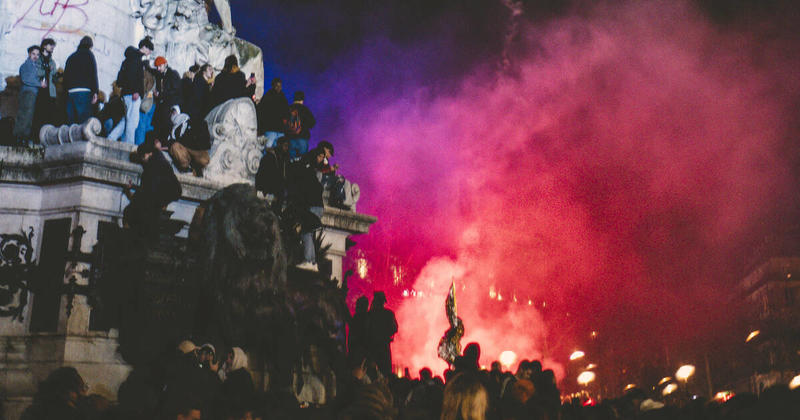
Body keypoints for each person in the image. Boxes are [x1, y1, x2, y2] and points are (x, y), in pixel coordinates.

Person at [122, 139, 181, 238]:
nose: (142, 159)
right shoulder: (159, 160)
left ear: (149, 154)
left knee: (130, 213)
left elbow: (147, 190)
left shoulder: (152, 167)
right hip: (166, 195)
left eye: (143, 156)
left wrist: (130, 191)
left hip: (158, 200)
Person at [287, 147, 325, 271]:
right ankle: (312, 262)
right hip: (317, 207)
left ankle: (309, 260)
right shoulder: (310, 172)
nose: (321, 160)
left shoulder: (306, 172)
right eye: (320, 157)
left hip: (313, 207)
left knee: (306, 232)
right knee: (309, 231)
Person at [112, 37, 153, 144]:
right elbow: (134, 77)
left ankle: (111, 138)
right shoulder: (136, 59)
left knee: (125, 121)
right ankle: (129, 145)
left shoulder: (129, 58)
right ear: (144, 47)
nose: (149, 53)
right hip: (132, 94)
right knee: (132, 122)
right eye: (149, 50)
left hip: (126, 93)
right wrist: (136, 91)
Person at [63, 36, 99, 124]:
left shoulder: (71, 57)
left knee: (72, 122)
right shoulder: (89, 55)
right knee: (84, 123)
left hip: (71, 91)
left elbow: (66, 76)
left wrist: (66, 91)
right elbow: (93, 74)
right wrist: (95, 92)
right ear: (90, 46)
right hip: (84, 92)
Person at [165, 110, 211, 176]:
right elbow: (171, 143)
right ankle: (188, 169)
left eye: (174, 112)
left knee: (205, 159)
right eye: (172, 113)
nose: (173, 114)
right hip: (184, 152)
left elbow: (206, 143)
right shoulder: (173, 130)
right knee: (175, 146)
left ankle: (196, 168)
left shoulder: (196, 122)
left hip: (196, 151)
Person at [366, 291, 398, 377]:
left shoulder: (369, 315)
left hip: (371, 348)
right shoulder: (389, 314)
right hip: (384, 347)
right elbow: (394, 329)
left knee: (372, 373)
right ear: (383, 302)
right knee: (385, 372)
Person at [255, 137, 291, 211]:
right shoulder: (269, 157)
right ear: (279, 145)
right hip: (269, 189)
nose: (286, 148)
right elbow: (265, 175)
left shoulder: (284, 158)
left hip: (278, 188)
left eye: (288, 146)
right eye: (285, 145)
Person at [14, 45, 42, 142]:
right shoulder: (26, 65)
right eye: (33, 54)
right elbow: (26, 79)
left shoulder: (36, 66)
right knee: (25, 115)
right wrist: (40, 84)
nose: (35, 56)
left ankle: (24, 137)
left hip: (33, 93)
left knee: (29, 116)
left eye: (38, 55)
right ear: (29, 54)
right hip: (28, 92)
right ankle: (19, 137)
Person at [32, 38, 59, 137]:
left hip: (50, 93)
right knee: (39, 114)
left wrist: (56, 76)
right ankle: (35, 137)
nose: (52, 47)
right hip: (40, 91)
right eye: (50, 45)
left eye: (53, 45)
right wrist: (46, 70)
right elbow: (36, 72)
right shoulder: (38, 59)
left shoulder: (52, 62)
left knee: (49, 116)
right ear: (44, 46)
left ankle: (46, 137)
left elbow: (54, 77)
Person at [152, 56, 183, 139]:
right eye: (157, 67)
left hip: (170, 105)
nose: (158, 68)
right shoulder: (161, 75)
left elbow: (176, 91)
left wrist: (161, 94)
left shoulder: (173, 74)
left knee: (167, 127)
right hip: (163, 104)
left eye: (160, 66)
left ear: (165, 64)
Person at [256, 77, 288, 148]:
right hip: (273, 130)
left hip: (274, 130)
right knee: (271, 149)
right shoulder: (282, 98)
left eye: (280, 86)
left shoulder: (268, 97)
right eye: (277, 86)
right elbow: (261, 113)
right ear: (273, 86)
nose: (278, 88)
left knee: (270, 150)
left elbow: (260, 112)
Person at [284, 91, 316, 160]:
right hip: (302, 138)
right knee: (302, 161)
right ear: (302, 99)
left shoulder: (288, 109)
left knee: (290, 161)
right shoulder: (305, 109)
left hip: (290, 139)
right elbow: (312, 123)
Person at [347, 296, 370, 364]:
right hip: (361, 350)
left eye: (358, 304)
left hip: (358, 350)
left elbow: (355, 329)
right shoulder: (367, 316)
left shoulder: (360, 317)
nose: (356, 306)